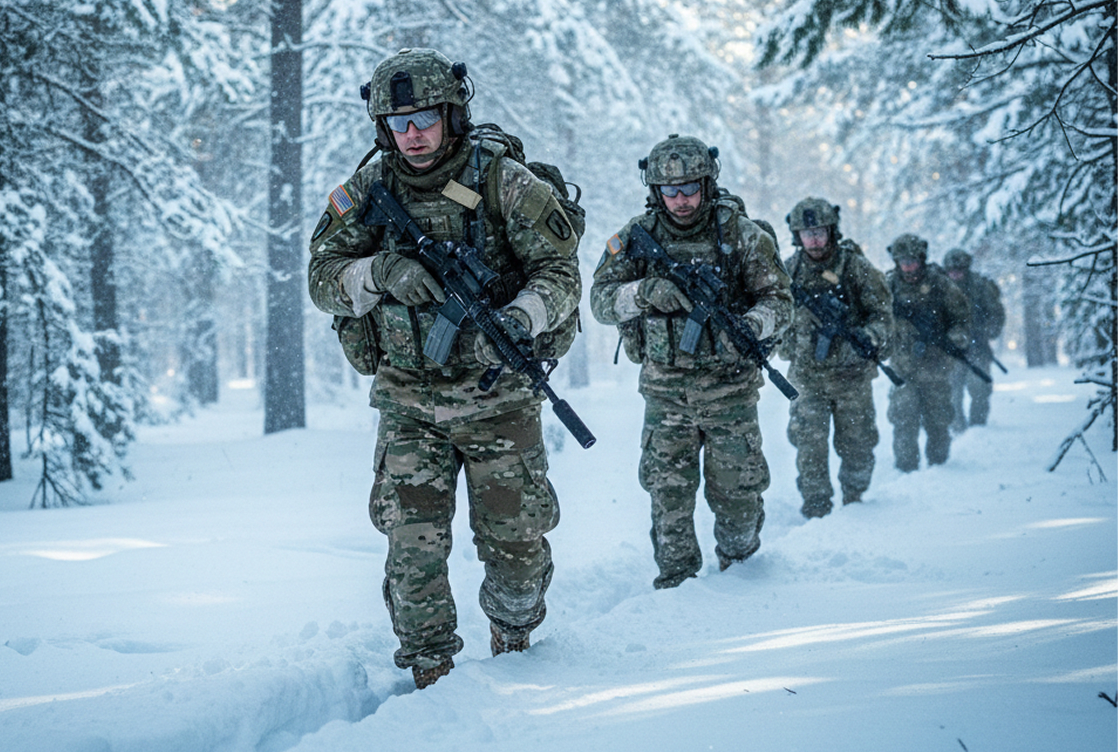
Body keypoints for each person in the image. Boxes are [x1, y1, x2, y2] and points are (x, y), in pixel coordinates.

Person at [307, 48, 582, 689]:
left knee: (517, 548)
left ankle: (515, 636)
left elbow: (560, 273)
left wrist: (521, 318)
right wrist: (379, 272)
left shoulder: (505, 182)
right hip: (408, 400)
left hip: (499, 399)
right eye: (397, 123)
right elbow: (322, 278)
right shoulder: (367, 190)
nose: (412, 134)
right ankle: (430, 671)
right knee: (412, 547)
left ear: (453, 114)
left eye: (424, 118)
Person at [590, 134, 792, 589]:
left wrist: (752, 324)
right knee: (669, 495)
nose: (681, 200)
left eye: (689, 189)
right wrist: (644, 293)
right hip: (665, 392)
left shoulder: (741, 235)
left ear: (707, 184)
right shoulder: (636, 237)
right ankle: (676, 586)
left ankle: (742, 574)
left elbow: (780, 301)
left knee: (738, 495)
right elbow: (600, 302)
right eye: (670, 191)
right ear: (655, 191)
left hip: (731, 390)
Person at [779, 197, 894, 518]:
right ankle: (816, 508)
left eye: (819, 231)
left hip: (851, 377)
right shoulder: (789, 271)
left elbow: (883, 316)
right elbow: (775, 314)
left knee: (858, 446)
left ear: (831, 230)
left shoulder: (855, 267)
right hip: (807, 377)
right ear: (797, 236)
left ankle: (855, 501)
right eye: (807, 233)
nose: (814, 239)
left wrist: (867, 337)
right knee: (809, 446)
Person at [885, 234, 971, 472]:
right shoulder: (889, 286)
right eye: (903, 261)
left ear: (921, 259)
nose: (908, 267)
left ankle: (939, 468)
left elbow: (962, 320)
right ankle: (906, 470)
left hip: (936, 367)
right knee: (904, 418)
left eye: (912, 260)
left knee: (938, 421)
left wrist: (953, 338)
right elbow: (875, 318)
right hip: (902, 368)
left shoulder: (941, 285)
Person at [943, 248, 1006, 430]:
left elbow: (996, 314)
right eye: (951, 270)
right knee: (951, 392)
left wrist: (985, 332)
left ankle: (978, 429)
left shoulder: (980, 286)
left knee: (979, 387)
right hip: (949, 351)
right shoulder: (939, 287)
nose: (955, 274)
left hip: (977, 348)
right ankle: (957, 429)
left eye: (959, 270)